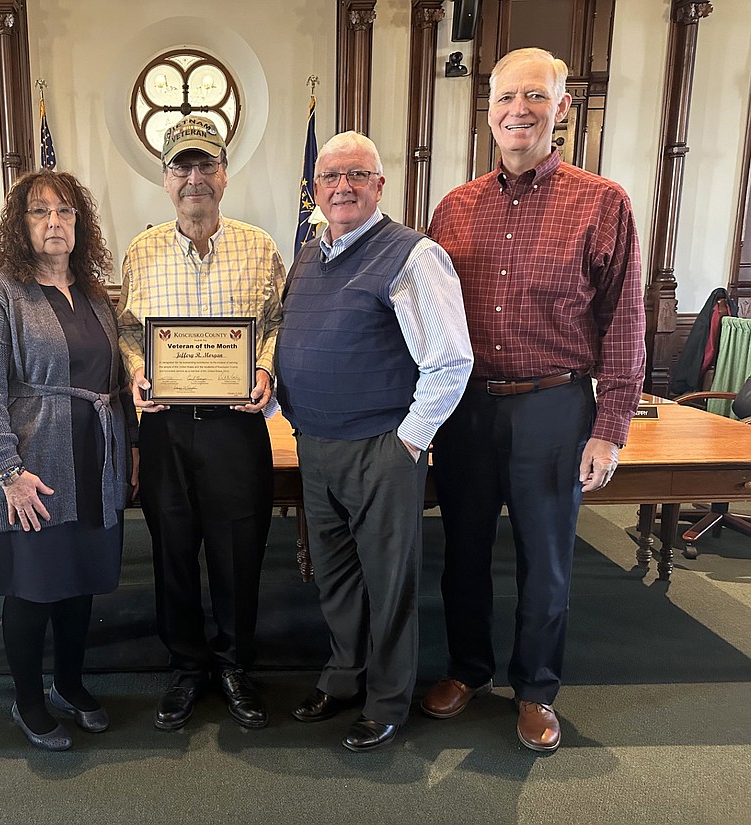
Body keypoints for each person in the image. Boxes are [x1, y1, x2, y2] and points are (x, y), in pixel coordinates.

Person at [424, 47, 646, 753]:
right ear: (487, 111)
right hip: (465, 407)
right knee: (461, 550)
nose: (518, 111)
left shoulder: (603, 201)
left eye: (534, 97)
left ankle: (536, 688)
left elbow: (626, 322)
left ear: (563, 108)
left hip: (554, 406)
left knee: (545, 558)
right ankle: (468, 669)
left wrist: (609, 426)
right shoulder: (453, 208)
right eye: (504, 99)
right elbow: (426, 320)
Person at [274, 131, 473, 751]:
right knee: (335, 578)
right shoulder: (309, 256)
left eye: (357, 175)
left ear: (380, 186)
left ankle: (387, 700)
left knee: (388, 582)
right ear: (316, 188)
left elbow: (450, 360)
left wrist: (408, 443)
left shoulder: (412, 256)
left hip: (382, 447)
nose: (343, 187)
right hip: (317, 443)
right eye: (330, 176)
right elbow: (297, 341)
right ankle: (343, 676)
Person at [117, 115, 285, 730]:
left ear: (224, 173)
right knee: (173, 551)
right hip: (166, 427)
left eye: (206, 165)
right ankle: (186, 668)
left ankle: (236, 664)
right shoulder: (142, 250)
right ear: (165, 179)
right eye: (182, 167)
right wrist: (136, 370)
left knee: (240, 550)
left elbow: (276, 324)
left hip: (236, 427)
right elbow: (129, 331)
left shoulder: (259, 246)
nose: (195, 178)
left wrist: (265, 369)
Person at [0, 171, 137, 752]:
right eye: (40, 212)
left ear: (79, 223)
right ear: (21, 225)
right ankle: (29, 699)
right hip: (33, 463)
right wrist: (8, 472)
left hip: (94, 458)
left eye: (65, 211)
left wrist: (130, 452)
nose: (55, 222)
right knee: (34, 586)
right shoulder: (1, 292)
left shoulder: (92, 293)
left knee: (79, 582)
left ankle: (68, 682)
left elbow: (112, 381)